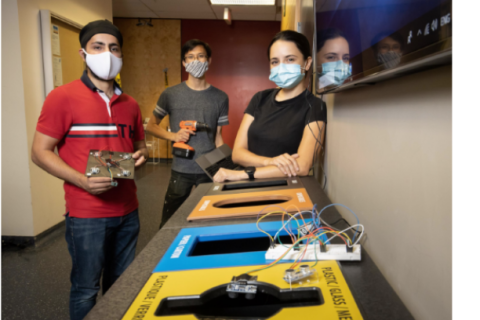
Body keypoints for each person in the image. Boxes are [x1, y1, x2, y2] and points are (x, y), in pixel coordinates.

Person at [31, 20, 148, 320]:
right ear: (84, 54)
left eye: (113, 48)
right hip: (87, 216)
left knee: (122, 285)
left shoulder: (130, 103)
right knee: (85, 289)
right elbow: (39, 152)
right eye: (98, 47)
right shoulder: (62, 97)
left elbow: (139, 144)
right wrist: (82, 181)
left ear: (121, 55)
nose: (106, 54)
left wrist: (141, 155)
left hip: (128, 210)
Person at [213, 30, 326, 183]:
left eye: (290, 59)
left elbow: (302, 166)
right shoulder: (260, 98)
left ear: (307, 63)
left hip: (282, 188)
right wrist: (269, 162)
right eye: (275, 61)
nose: (281, 67)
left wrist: (243, 174)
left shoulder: (315, 106)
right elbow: (238, 154)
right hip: (245, 185)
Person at [146, 39, 229, 228]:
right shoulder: (171, 94)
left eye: (200, 56)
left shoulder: (220, 97)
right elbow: (151, 126)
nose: (195, 61)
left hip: (209, 168)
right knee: (169, 222)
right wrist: (174, 136)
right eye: (190, 57)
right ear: (184, 63)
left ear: (208, 61)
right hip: (181, 169)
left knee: (211, 220)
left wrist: (225, 166)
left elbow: (218, 137)